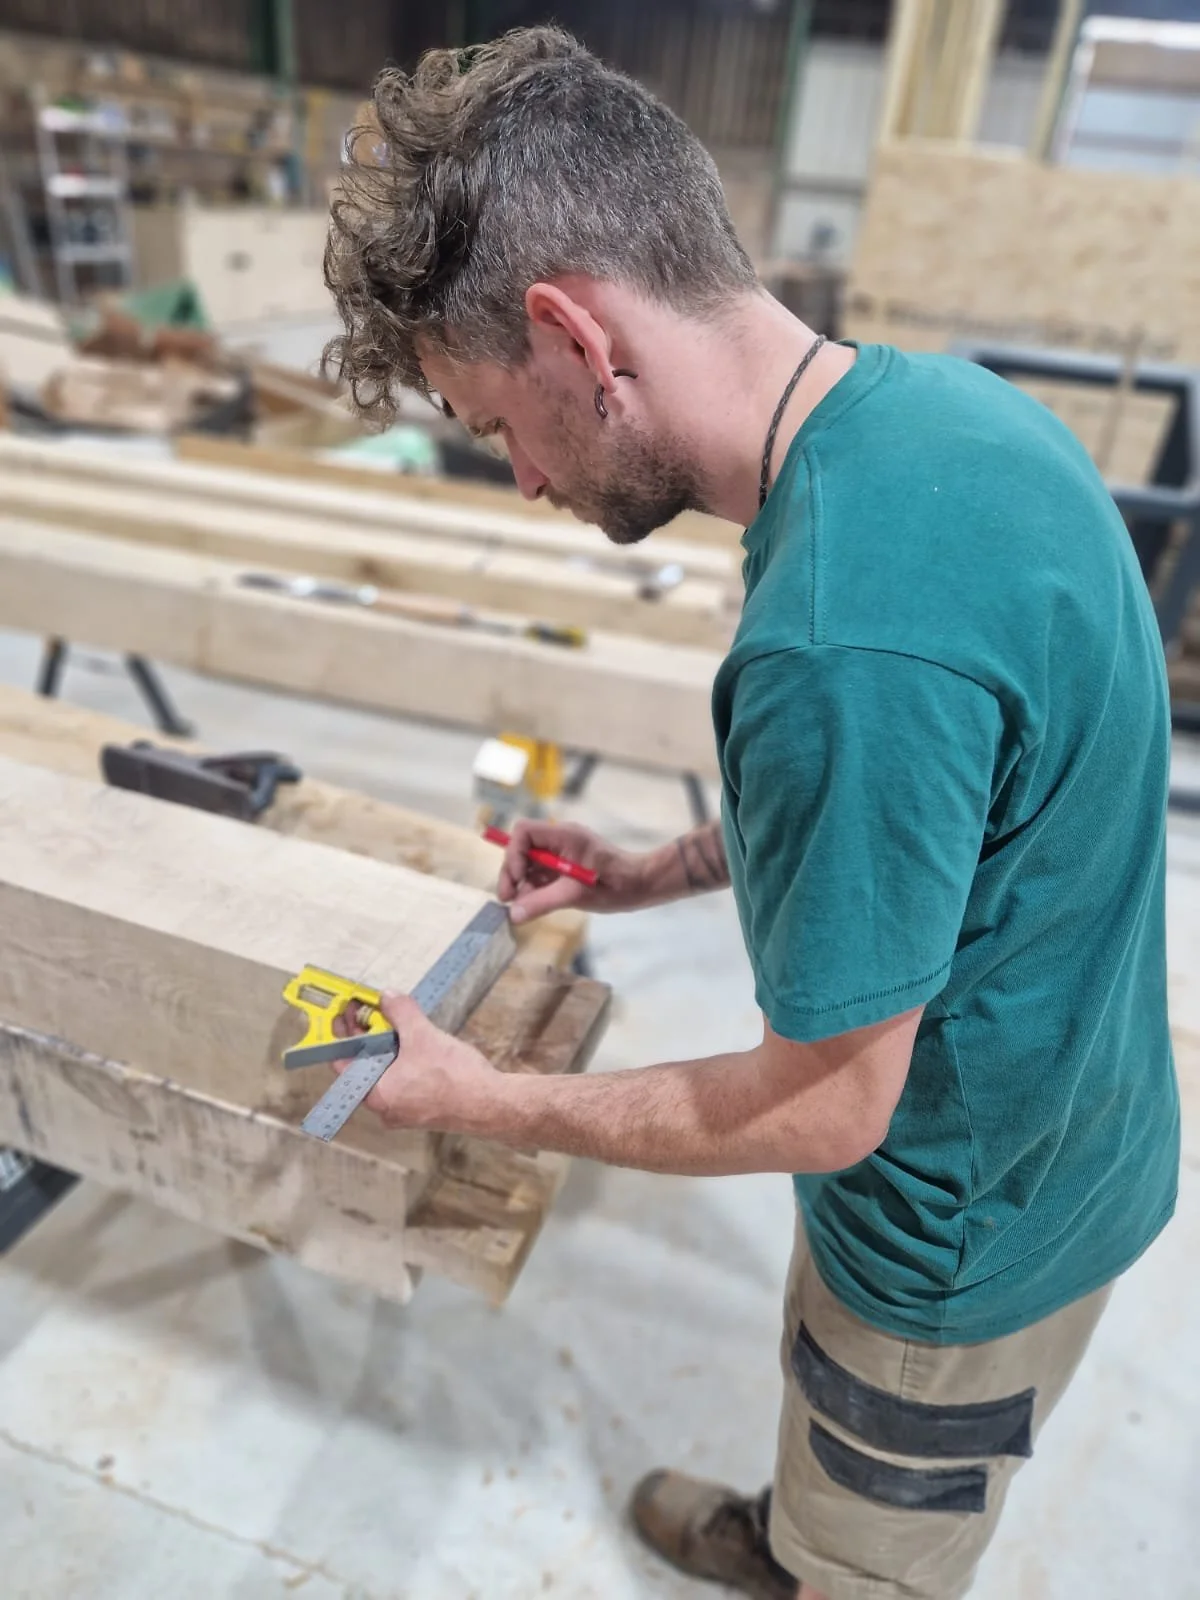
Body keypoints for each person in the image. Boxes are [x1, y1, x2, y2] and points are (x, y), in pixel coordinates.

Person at [322, 27, 1180, 1600]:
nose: (520, 479)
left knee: (881, 1547)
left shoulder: (836, 643)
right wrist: (659, 872)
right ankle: (793, 1536)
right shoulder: (942, 425)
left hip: (957, 1248)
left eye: (495, 419)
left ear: (574, 332)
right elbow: (951, 820)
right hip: (1083, 1139)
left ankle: (831, 1565)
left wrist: (482, 1101)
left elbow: (826, 1108)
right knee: (828, 1467)